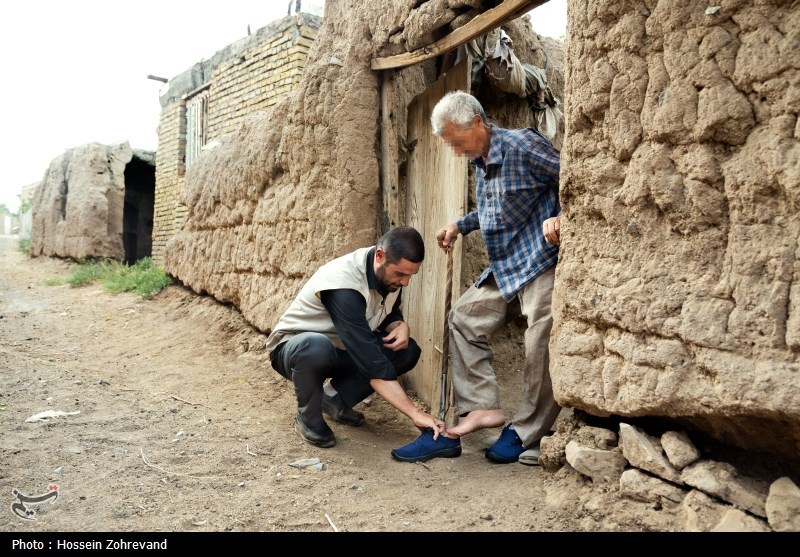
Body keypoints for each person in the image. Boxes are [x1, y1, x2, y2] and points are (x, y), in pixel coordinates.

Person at [391, 91, 562, 465]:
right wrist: (460, 225)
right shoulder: (480, 163)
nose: (456, 152)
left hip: (540, 260)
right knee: (463, 318)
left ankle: (527, 431)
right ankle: (483, 407)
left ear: (478, 123)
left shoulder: (522, 146)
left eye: (457, 141)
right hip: (507, 266)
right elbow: (496, 209)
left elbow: (574, 177)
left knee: (540, 340)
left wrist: (562, 216)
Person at [266, 226, 458, 454]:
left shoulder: (387, 274)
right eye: (401, 274)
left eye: (410, 275)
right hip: (295, 349)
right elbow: (368, 359)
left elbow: (386, 312)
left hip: (341, 348)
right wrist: (415, 413)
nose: (406, 282)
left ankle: (333, 399)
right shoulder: (343, 283)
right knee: (317, 347)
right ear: (380, 256)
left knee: (406, 351)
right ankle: (308, 417)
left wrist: (399, 324)